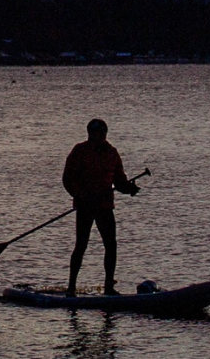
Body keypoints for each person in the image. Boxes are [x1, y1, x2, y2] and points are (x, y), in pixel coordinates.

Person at [62, 117, 138, 296]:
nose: (99, 136)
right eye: (96, 133)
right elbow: (67, 179)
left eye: (102, 132)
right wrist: (78, 195)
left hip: (105, 206)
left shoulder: (112, 153)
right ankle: (71, 288)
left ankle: (109, 287)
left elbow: (119, 181)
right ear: (89, 134)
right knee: (81, 245)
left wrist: (129, 188)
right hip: (85, 207)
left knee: (111, 245)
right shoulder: (79, 151)